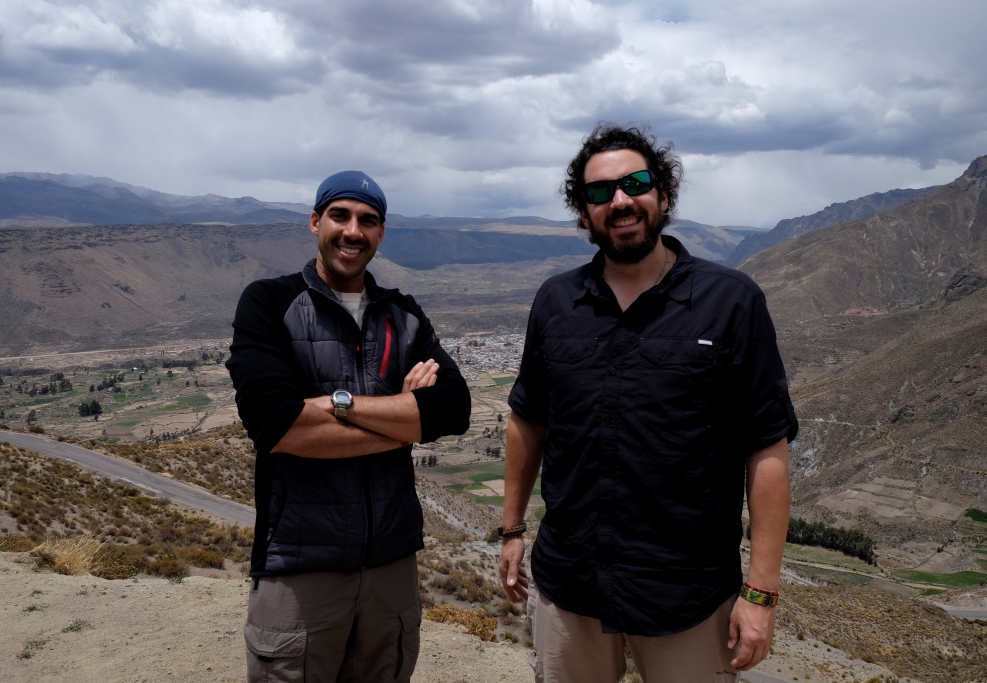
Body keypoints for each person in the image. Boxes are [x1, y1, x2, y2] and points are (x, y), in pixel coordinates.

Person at [498, 123, 798, 683]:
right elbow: (528, 421)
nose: (620, 201)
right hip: (571, 584)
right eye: (599, 192)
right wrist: (511, 530)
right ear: (583, 212)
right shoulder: (556, 302)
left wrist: (760, 593)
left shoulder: (732, 302)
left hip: (688, 593)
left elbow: (766, 450)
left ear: (663, 194)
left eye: (635, 183)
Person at [227, 170, 471, 682]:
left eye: (368, 220)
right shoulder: (268, 303)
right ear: (315, 222)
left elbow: (453, 410)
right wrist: (404, 419)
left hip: (392, 566)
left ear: (381, 232)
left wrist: (335, 406)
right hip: (300, 564)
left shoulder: (403, 314)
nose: (353, 231)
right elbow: (277, 426)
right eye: (340, 215)